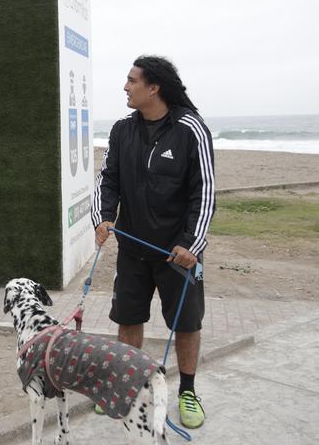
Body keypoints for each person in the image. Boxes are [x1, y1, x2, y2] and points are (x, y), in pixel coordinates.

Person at [91, 55, 215, 429]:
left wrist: (191, 244)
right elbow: (107, 179)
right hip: (133, 249)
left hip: (179, 254)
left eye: (132, 81)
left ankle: (188, 392)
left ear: (154, 87)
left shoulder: (191, 128)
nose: (125, 87)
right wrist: (105, 218)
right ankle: (126, 385)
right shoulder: (121, 130)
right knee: (128, 319)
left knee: (187, 323)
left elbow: (204, 191)